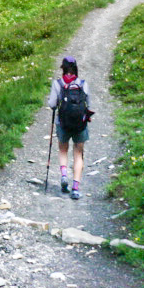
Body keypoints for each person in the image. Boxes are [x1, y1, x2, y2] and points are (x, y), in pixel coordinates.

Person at [46, 55, 92, 200]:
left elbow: (52, 104)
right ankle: (75, 188)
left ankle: (64, 175)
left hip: (63, 123)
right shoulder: (83, 84)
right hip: (80, 125)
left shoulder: (57, 84)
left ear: (63, 68)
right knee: (78, 153)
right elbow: (89, 105)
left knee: (63, 149)